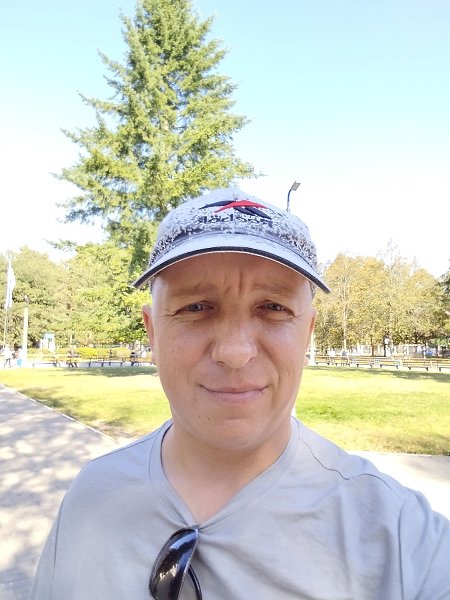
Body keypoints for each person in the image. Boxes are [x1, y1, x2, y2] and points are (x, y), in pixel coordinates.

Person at [31, 187, 450, 599]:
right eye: (196, 307)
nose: (234, 353)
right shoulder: (91, 497)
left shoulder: (402, 541)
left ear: (306, 335)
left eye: (273, 307)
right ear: (153, 333)